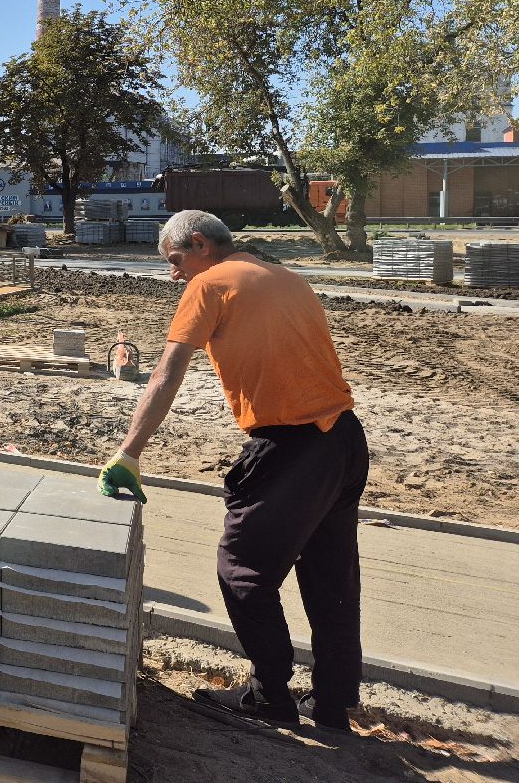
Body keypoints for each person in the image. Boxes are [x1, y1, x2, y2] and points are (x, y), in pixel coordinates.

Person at [97, 210, 367, 734]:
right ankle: (334, 703)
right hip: (345, 441)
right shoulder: (285, 277)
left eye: (176, 261)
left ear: (199, 244)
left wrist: (129, 452)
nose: (175, 274)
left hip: (291, 446)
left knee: (242, 572)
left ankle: (270, 695)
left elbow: (167, 372)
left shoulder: (211, 284)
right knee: (331, 577)